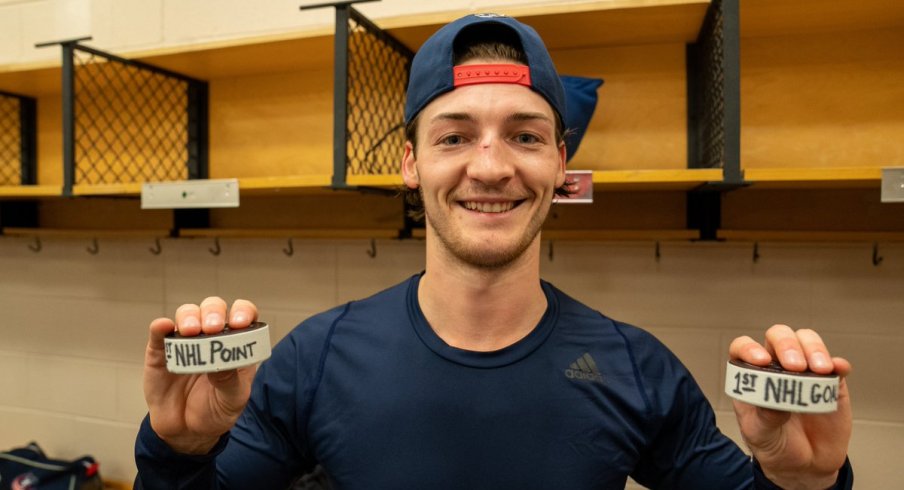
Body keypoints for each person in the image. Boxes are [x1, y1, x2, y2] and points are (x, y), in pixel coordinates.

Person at [135, 13, 853, 489]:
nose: (490, 167)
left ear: (560, 164)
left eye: (525, 135)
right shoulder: (314, 360)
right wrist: (179, 453)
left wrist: (804, 484)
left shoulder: (637, 369)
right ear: (411, 164)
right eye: (454, 136)